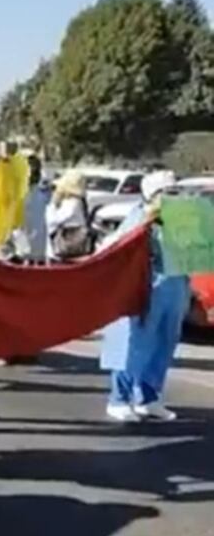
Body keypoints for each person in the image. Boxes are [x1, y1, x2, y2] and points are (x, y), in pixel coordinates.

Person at [100, 171, 190, 423]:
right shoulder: (139, 218)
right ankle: (119, 399)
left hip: (175, 287)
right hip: (147, 288)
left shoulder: (181, 221)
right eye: (167, 192)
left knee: (164, 343)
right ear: (152, 195)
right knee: (135, 344)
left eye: (175, 191)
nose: (173, 197)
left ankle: (149, 398)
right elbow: (118, 248)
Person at [46, 170, 92, 262]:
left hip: (70, 240)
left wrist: (52, 205)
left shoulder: (72, 202)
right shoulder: (76, 201)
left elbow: (54, 219)